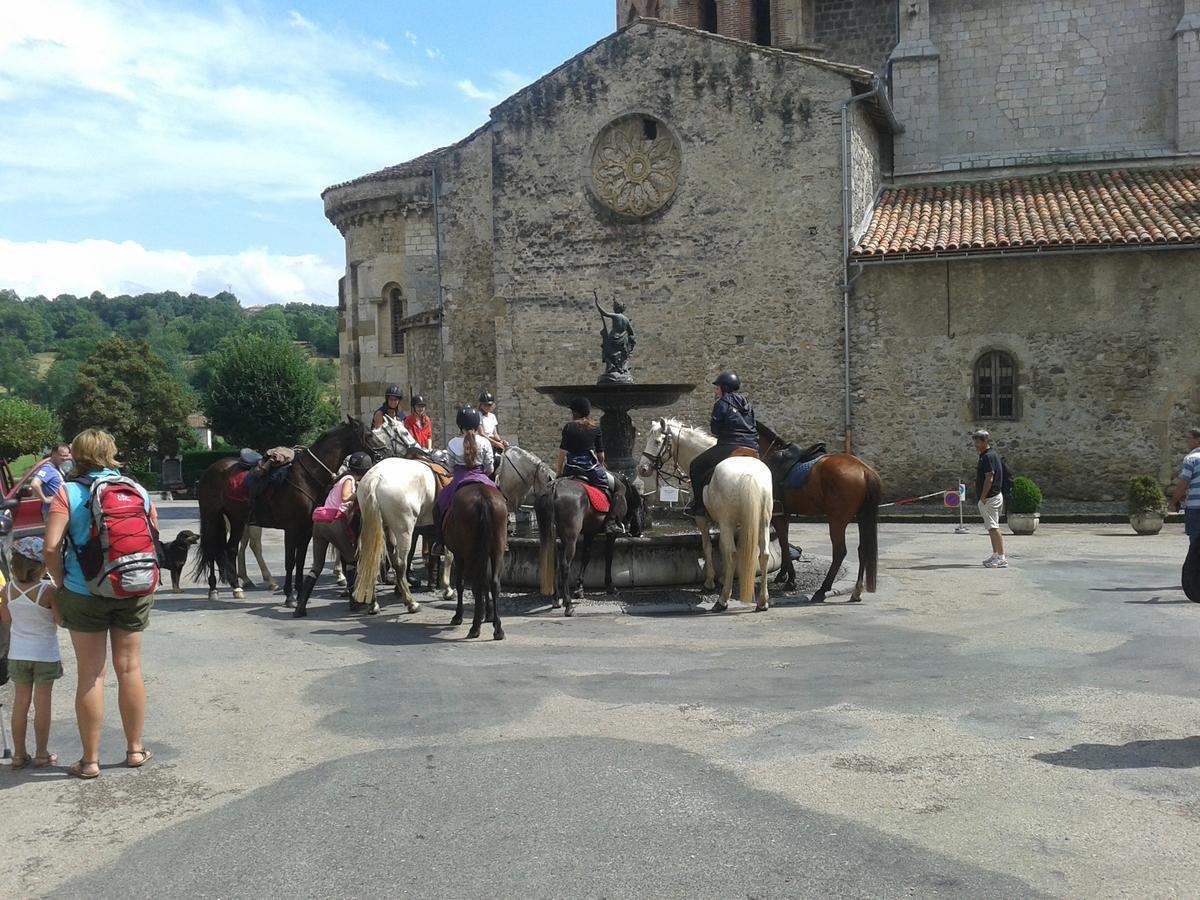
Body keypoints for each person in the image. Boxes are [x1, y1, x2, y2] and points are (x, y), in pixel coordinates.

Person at [44, 428, 158, 779]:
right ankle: (135, 750)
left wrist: (62, 584)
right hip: (132, 587)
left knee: (92, 675)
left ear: (76, 455)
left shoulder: (68, 492)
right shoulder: (136, 488)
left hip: (84, 592)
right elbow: (151, 533)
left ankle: (90, 761)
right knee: (130, 669)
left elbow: (50, 547)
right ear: (111, 452)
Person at [0, 537, 61, 770]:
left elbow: (6, 619)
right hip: (45, 654)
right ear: (42, 566)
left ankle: (19, 754)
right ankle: (42, 753)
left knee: (20, 703)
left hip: (18, 653)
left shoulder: (8, 590)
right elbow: (60, 621)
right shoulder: (48, 591)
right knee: (42, 705)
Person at [294, 451, 373, 616]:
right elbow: (345, 498)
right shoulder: (349, 479)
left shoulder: (340, 479)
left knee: (316, 566)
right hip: (334, 523)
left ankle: (300, 605)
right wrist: (360, 493)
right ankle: (355, 602)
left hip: (319, 523)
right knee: (352, 560)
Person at [685, 372, 759, 518]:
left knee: (695, 465)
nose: (716, 391)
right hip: (752, 446)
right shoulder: (747, 404)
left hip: (729, 446)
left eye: (717, 388)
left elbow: (715, 429)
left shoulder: (721, 403)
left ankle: (698, 506)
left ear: (725, 388)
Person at [431, 407, 496, 556]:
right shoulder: (485, 442)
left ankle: (439, 543)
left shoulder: (453, 442)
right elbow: (490, 467)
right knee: (502, 499)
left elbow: (450, 467)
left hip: (460, 478)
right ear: (476, 423)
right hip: (482, 476)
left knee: (439, 505)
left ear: (459, 424)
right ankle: (505, 533)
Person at [557, 397, 626, 532]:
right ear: (587, 412)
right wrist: (600, 465)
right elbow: (601, 456)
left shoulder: (569, 427)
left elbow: (562, 453)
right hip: (590, 468)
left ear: (575, 412)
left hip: (572, 467)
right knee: (620, 487)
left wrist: (559, 472)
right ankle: (611, 522)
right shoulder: (595, 428)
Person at [972, 429, 1007, 568]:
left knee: (993, 527)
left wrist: (983, 496)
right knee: (991, 527)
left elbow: (989, 478)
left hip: (990, 497)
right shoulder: (989, 455)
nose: (975, 444)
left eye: (978, 441)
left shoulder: (987, 457)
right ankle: (995, 554)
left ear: (985, 441)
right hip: (993, 496)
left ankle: (1002, 557)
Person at [1168, 427, 1200, 542]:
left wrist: (1173, 502)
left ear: (1198, 440)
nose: (1186, 441)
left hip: (1196, 507)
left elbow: (1183, 484)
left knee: (1195, 541)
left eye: (1188, 438)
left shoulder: (1191, 459)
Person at [30, 443, 72, 519]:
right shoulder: (48, 468)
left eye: (66, 456)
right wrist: (45, 499)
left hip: (58, 509)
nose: (65, 458)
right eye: (62, 455)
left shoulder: (56, 468)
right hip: (53, 510)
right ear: (53, 454)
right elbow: (34, 484)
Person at [477, 392, 509, 458]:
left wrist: (501, 441)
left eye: (489, 405)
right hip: (482, 442)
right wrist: (496, 443)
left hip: (492, 440)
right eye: (485, 405)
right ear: (481, 405)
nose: (487, 407)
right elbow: (482, 433)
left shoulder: (492, 416)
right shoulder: (478, 415)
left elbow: (495, 434)